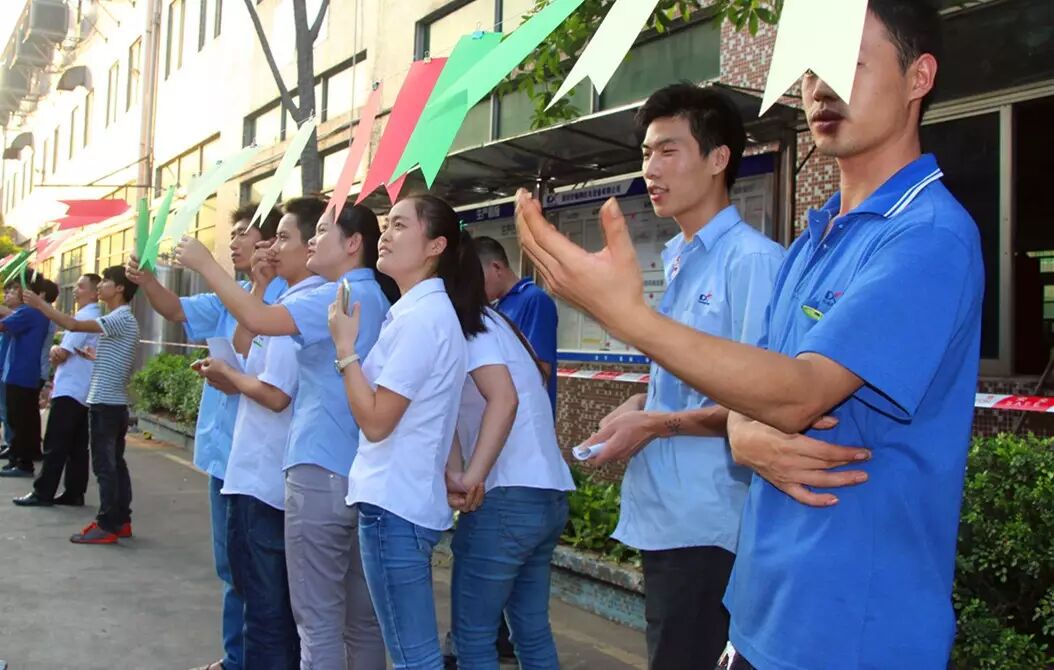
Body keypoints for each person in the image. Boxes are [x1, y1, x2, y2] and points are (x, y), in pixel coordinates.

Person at [516, 3, 982, 668]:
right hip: (763, 611)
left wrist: (627, 317)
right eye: (811, 69)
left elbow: (797, 394)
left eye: (849, 64)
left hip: (854, 630)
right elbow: (752, 391)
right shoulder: (815, 240)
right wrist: (741, 428)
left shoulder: (928, 236)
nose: (821, 87)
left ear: (919, 77)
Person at [572, 85, 784, 669]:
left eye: (668, 150)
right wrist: (639, 407)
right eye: (646, 153)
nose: (651, 169)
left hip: (712, 525)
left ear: (719, 159)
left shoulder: (752, 262)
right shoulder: (681, 258)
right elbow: (689, 380)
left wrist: (655, 425)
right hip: (669, 517)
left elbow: (766, 399)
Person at [174, 198, 394, 670]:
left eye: (319, 232)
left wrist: (205, 264)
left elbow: (259, 329)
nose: (311, 242)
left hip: (320, 467)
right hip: (350, 467)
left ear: (353, 243)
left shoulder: (337, 295)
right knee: (356, 623)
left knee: (312, 620)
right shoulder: (369, 294)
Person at [331, 194, 488, 669]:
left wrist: (345, 350)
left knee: (413, 658)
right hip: (403, 500)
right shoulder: (421, 312)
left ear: (435, 245)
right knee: (414, 655)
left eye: (400, 225)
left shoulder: (422, 318)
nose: (386, 235)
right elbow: (430, 419)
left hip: (393, 504)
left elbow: (378, 421)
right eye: (387, 225)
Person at [127, 204, 284, 670]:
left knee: (261, 571)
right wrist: (148, 280)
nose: (233, 242)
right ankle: (237, 656)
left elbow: (259, 360)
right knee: (233, 566)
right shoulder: (230, 294)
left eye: (243, 233)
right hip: (224, 453)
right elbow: (175, 308)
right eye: (231, 233)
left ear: (270, 242)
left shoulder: (282, 298)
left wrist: (210, 267)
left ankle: (254, 658)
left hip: (260, 458)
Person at [196, 211, 328, 670]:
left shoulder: (304, 307)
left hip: (269, 478)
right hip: (252, 473)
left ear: (312, 247)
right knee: (257, 599)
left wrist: (204, 264)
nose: (270, 248)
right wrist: (258, 285)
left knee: (269, 613)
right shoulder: (285, 298)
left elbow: (275, 393)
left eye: (281, 238)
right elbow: (245, 350)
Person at [449, 303, 576, 670]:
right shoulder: (500, 325)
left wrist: (467, 477)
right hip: (546, 493)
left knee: (473, 637)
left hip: (504, 496)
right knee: (532, 631)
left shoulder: (465, 326)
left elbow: (503, 401)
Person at [24, 266, 140, 545]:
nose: (101, 286)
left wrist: (40, 304)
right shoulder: (121, 318)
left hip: (106, 403)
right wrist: (94, 358)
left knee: (105, 467)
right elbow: (117, 361)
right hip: (111, 402)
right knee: (115, 464)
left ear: (120, 288)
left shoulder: (119, 317)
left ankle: (107, 524)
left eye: (106, 281)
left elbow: (73, 325)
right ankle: (121, 520)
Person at [13, 273, 102, 507]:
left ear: (95, 293)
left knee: (56, 442)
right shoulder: (92, 316)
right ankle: (74, 491)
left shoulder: (85, 317)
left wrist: (55, 351)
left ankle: (43, 492)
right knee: (76, 445)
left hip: (72, 389)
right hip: (82, 388)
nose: (76, 290)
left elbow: (62, 354)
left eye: (81, 286)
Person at [475, 236, 558, 414]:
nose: (475, 286)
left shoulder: (535, 300)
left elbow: (542, 368)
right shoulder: (496, 307)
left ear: (496, 267)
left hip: (528, 412)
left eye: (477, 278)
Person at [0, 275, 50, 478]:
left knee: (18, 420)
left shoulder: (29, 312)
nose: (15, 292)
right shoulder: (31, 311)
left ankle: (23, 463)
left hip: (21, 374)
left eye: (18, 288)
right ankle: (18, 459)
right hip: (21, 373)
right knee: (20, 418)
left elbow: (3, 325)